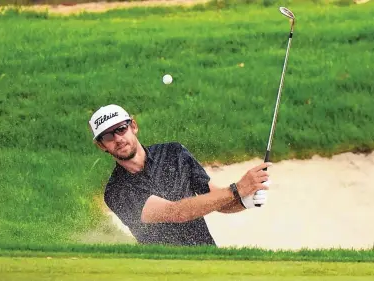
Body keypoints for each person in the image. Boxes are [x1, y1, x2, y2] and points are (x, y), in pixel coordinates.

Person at [88, 104, 272, 247]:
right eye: (108, 136)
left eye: (121, 129)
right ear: (101, 145)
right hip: (166, 270)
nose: (118, 139)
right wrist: (237, 189)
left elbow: (216, 200)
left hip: (208, 257)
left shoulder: (173, 153)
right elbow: (176, 212)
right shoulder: (116, 192)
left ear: (133, 126)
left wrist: (245, 201)